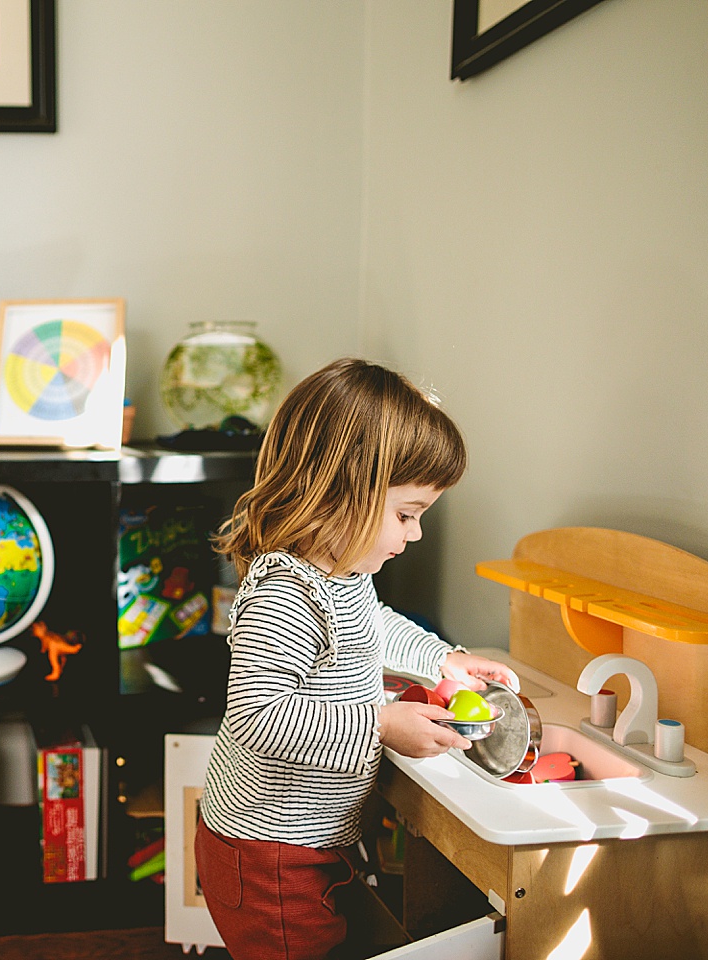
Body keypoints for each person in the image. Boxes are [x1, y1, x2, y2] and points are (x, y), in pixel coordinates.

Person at [194, 357, 516, 960]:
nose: (414, 535)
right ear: (343, 491)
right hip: (268, 853)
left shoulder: (342, 573)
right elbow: (256, 715)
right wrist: (383, 726)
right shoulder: (287, 591)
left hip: (308, 842)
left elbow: (375, 628)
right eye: (405, 515)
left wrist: (443, 661)